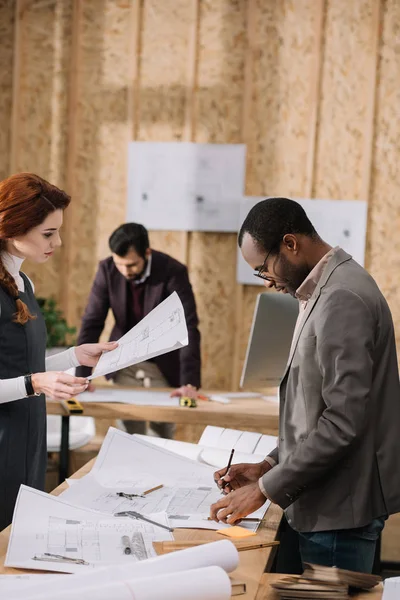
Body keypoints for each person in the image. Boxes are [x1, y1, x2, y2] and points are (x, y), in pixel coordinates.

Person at [210, 197, 400, 574]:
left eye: (264, 268)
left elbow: (343, 423)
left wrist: (264, 490)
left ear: (291, 244)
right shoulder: (321, 289)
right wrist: (267, 465)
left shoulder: (341, 297)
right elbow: (316, 410)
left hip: (339, 511)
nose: (267, 281)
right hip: (323, 502)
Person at [0, 172, 117, 531]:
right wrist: (35, 383)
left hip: (29, 439)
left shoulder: (25, 283)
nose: (59, 242)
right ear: (13, 229)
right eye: (48, 233)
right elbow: (27, 377)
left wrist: (73, 357)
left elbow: (21, 364)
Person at [76, 223, 201, 438]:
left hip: (163, 363)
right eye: (120, 265)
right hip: (124, 361)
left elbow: (188, 326)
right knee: (128, 431)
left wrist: (189, 382)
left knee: (162, 431)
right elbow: (92, 321)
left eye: (132, 265)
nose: (125, 271)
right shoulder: (107, 269)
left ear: (147, 253)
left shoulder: (172, 271)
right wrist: (82, 378)